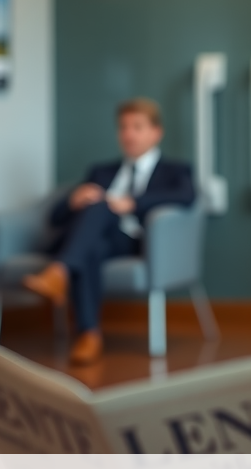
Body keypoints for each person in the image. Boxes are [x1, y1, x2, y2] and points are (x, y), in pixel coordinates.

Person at [24, 98, 195, 364]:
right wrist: (73, 200)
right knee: (92, 239)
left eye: (137, 127)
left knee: (101, 207)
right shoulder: (102, 172)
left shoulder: (175, 171)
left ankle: (59, 272)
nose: (128, 134)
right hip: (97, 240)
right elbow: (55, 218)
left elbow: (187, 196)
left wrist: (132, 203)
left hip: (134, 239)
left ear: (156, 133)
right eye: (123, 127)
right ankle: (89, 335)